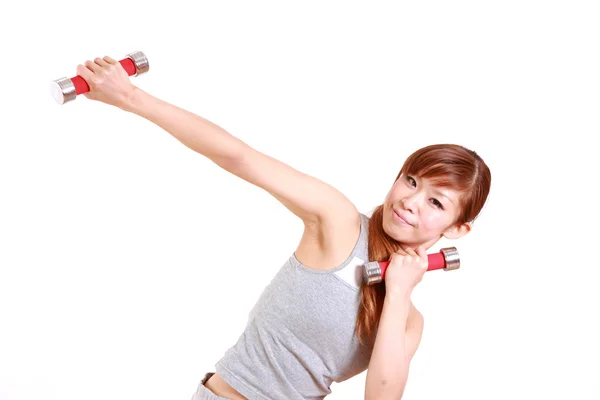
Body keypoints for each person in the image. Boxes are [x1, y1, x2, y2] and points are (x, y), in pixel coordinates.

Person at [75, 56, 492, 400]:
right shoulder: (339, 221)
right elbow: (240, 157)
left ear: (458, 230)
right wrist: (131, 97)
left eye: (436, 202)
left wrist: (399, 291)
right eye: (411, 181)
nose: (410, 201)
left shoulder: (409, 322)